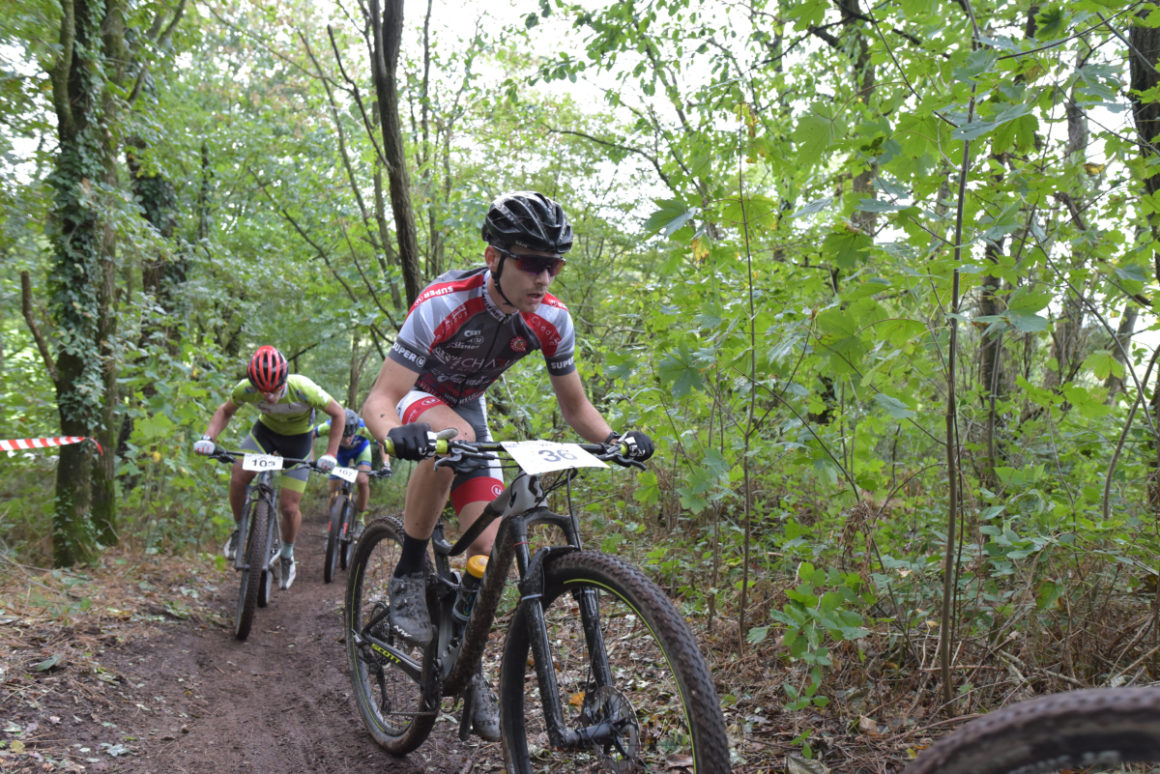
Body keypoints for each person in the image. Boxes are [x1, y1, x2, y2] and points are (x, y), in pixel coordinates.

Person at [361, 191, 654, 741]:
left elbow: (576, 409)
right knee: (456, 439)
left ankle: (465, 663)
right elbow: (380, 398)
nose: (543, 277)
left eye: (554, 265)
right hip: (419, 397)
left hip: (467, 406)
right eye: (531, 262)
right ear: (494, 257)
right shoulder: (442, 303)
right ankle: (409, 568)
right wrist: (392, 434)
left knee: (486, 551)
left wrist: (616, 441)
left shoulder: (552, 319)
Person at [194, 346, 346, 590]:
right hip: (265, 435)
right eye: (262, 392)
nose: (270, 397)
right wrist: (208, 438)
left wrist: (331, 454)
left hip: (298, 441)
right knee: (238, 477)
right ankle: (239, 531)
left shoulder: (302, 388)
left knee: (289, 507)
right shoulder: (245, 389)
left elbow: (338, 414)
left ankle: (286, 553)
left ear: (284, 380)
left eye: (275, 390)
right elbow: (225, 411)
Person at [313, 408, 376, 539]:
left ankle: (359, 519)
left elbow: (382, 442)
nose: (347, 440)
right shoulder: (329, 425)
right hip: (339, 454)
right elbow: (311, 435)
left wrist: (386, 464)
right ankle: (332, 526)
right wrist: (312, 460)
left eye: (350, 436)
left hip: (361, 451)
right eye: (343, 435)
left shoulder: (364, 427)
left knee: (363, 481)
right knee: (334, 493)